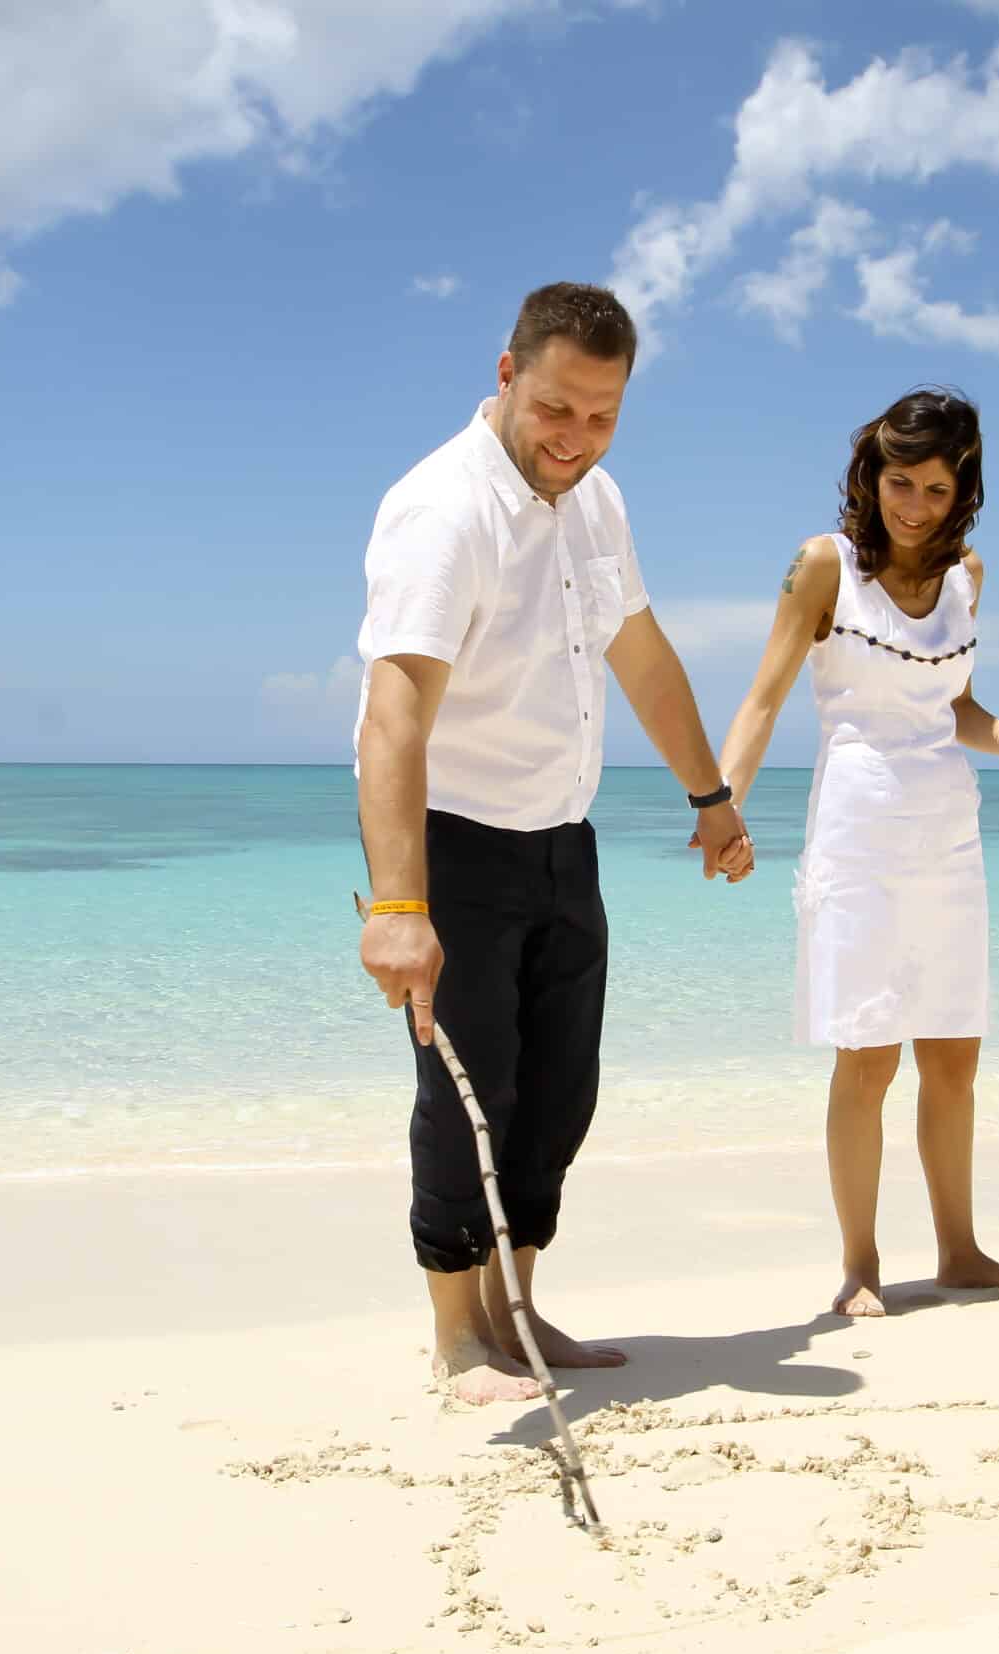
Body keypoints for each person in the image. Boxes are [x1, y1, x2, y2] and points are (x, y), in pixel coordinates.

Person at [353, 282, 754, 1405]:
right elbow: (393, 716)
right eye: (556, 409)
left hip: (560, 839)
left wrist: (710, 796)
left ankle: (519, 1311)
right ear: (505, 375)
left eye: (603, 415)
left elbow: (637, 650)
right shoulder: (443, 510)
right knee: (466, 1091)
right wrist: (397, 909)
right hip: (456, 843)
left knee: (556, 1092)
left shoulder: (597, 500)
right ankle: (456, 1337)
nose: (576, 438)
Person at [711, 386, 999, 1318]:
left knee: (954, 1053)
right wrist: (721, 805)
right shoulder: (824, 566)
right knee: (867, 1058)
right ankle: (862, 1265)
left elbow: (952, 708)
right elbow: (763, 697)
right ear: (871, 473)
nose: (912, 504)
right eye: (897, 480)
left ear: (964, 491)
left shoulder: (968, 577)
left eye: (934, 487)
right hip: (860, 827)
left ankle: (959, 1250)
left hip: (948, 829)